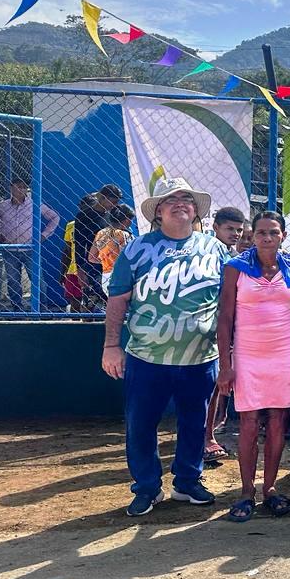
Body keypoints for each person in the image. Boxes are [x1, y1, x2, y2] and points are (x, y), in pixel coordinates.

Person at [101, 177, 227, 517]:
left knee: (196, 423)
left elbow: (227, 301)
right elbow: (118, 300)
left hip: (201, 357)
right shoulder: (136, 249)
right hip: (147, 357)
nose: (180, 203)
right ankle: (146, 488)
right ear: (158, 211)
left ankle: (187, 481)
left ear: (195, 209)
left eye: (186, 198)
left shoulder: (214, 248)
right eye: (170, 199)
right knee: (141, 425)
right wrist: (111, 345)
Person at [217, 211, 290, 522]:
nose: (267, 238)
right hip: (248, 354)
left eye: (274, 232)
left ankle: (270, 488)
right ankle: (247, 492)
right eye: (261, 232)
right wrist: (226, 364)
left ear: (282, 235)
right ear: (252, 235)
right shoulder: (236, 267)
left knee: (278, 421)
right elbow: (225, 317)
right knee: (248, 423)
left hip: (284, 352)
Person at [202, 204, 251, 462]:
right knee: (208, 388)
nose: (235, 234)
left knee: (216, 388)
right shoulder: (206, 253)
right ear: (215, 227)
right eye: (229, 229)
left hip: (227, 328)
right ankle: (205, 438)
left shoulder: (235, 257)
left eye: (239, 230)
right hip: (205, 328)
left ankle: (207, 435)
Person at [0, 176, 59, 311]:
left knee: (37, 280)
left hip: (30, 248)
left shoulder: (34, 204)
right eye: (18, 186)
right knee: (13, 281)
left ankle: (42, 308)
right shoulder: (2, 206)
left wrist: (43, 235)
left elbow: (54, 217)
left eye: (24, 187)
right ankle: (17, 309)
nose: (21, 190)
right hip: (10, 249)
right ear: (11, 188)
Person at [74, 183, 122, 301]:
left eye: (117, 202)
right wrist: (80, 270)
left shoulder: (113, 214)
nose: (115, 205)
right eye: (113, 202)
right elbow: (79, 244)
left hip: (113, 264)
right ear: (102, 198)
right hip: (93, 266)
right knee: (92, 301)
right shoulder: (84, 216)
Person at [88, 203, 136, 296]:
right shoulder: (123, 234)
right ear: (127, 220)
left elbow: (91, 257)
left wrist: (106, 259)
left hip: (106, 277)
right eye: (131, 220)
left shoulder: (100, 233)